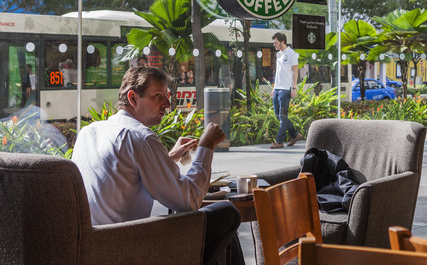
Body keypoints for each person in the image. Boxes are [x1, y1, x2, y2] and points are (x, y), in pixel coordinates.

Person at [72, 67, 245, 265]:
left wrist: (169, 158)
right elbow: (189, 201)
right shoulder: (141, 137)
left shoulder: (89, 132)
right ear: (133, 98)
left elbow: (122, 177)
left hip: (91, 247)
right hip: (126, 248)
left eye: (167, 95)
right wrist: (207, 146)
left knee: (214, 226)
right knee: (227, 214)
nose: (167, 103)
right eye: (157, 96)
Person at [270, 32, 302, 149]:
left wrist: (293, 88)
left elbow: (295, 72)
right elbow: (278, 73)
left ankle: (279, 141)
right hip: (278, 89)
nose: (274, 45)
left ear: (282, 42)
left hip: (285, 90)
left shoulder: (292, 54)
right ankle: (295, 134)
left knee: (283, 116)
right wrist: (274, 88)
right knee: (278, 116)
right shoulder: (279, 55)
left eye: (276, 43)